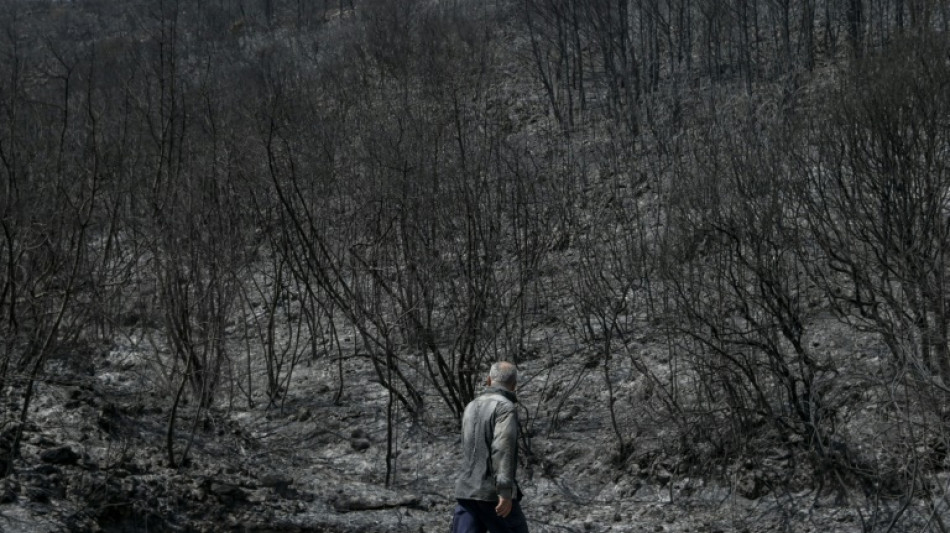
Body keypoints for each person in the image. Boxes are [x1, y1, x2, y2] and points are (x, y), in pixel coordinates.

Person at [451, 361, 529, 533]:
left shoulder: (471, 405)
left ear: (488, 380)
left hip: (466, 492)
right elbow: (502, 448)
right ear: (514, 385)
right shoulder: (505, 407)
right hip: (492, 495)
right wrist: (504, 491)